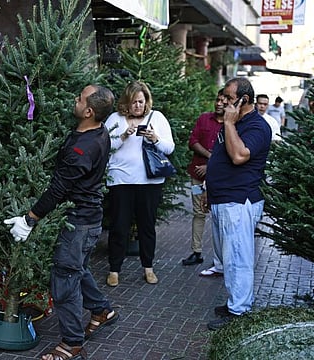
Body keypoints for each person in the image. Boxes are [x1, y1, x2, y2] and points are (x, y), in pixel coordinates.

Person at [4, 84, 119, 360]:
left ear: (89, 111)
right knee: (77, 268)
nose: (74, 100)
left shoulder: (84, 148)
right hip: (88, 219)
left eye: (79, 99)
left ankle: (72, 343)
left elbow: (59, 189)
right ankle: (102, 310)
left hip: (79, 221)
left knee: (65, 279)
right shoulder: (95, 130)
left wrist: (30, 219)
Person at [203, 77, 271, 331]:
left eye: (230, 99)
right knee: (227, 257)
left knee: (238, 258)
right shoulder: (235, 123)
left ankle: (240, 310)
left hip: (239, 201)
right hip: (223, 198)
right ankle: (237, 301)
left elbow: (239, 155)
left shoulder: (256, 127)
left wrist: (229, 123)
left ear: (245, 100)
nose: (224, 103)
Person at [104, 81, 175, 287]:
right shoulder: (115, 119)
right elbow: (106, 145)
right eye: (134, 102)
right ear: (126, 102)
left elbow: (169, 148)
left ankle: (148, 268)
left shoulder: (157, 118)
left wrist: (154, 138)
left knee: (147, 226)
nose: (138, 106)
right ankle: (114, 269)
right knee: (119, 226)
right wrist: (124, 135)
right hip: (121, 180)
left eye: (141, 102)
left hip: (149, 181)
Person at [182, 89, 225, 267]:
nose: (219, 103)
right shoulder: (204, 118)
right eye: (217, 99)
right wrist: (209, 157)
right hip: (197, 175)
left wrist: (211, 165)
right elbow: (193, 141)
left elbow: (231, 153)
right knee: (198, 213)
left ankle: (222, 257)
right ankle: (196, 252)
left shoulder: (233, 124)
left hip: (221, 178)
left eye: (223, 100)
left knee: (219, 215)